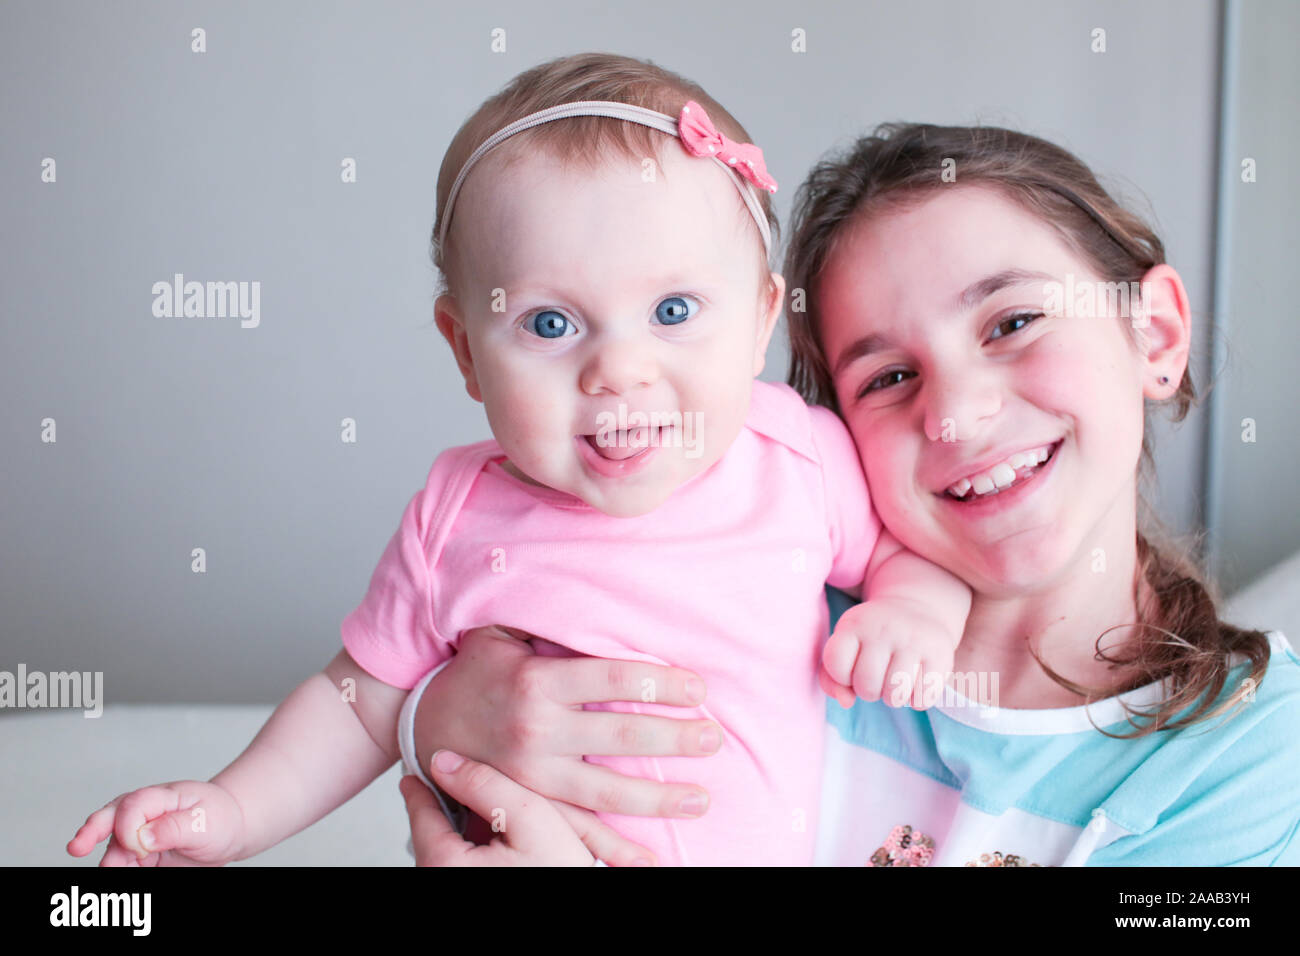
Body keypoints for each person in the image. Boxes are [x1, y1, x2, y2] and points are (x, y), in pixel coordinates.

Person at [65, 56, 972, 869]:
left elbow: (902, 554)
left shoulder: (796, 458)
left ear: (762, 318)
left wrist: (915, 613)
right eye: (549, 324)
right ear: (465, 353)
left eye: (673, 312)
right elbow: (358, 702)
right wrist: (233, 809)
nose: (618, 371)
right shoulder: (456, 517)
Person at [402, 122, 1300, 866]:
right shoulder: (766, 623)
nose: (955, 415)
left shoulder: (1248, 756)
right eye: (888, 377)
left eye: (1013, 321)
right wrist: (431, 716)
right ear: (828, 435)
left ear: (1155, 333)